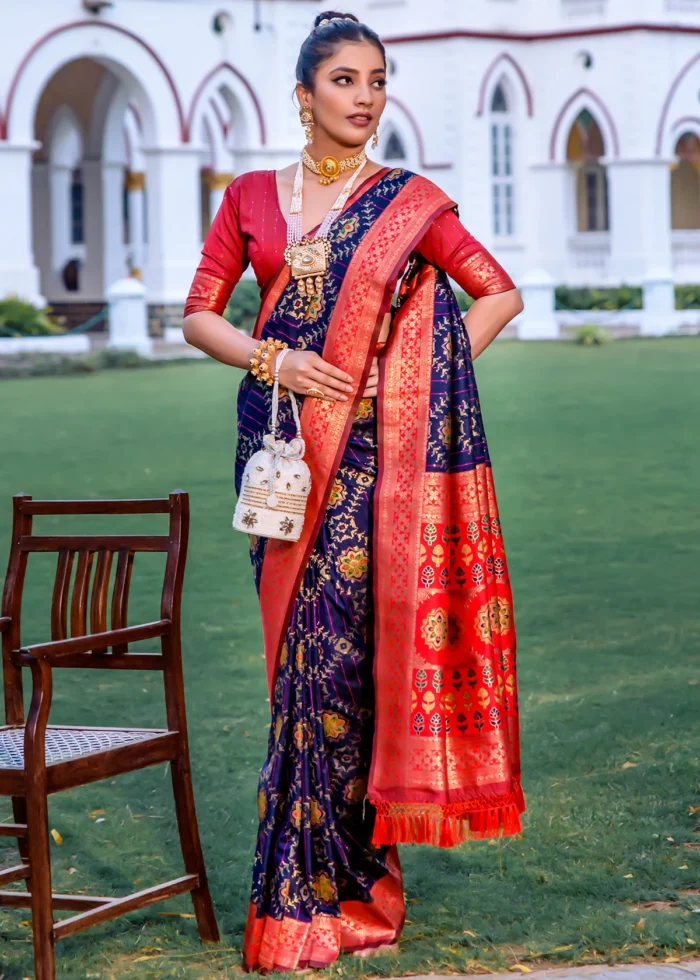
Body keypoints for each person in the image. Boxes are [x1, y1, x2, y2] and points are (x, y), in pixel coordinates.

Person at [183, 10, 527, 973]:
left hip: (378, 468)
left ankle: (350, 891)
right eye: (344, 80)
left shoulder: (408, 201)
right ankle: (298, 896)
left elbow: (495, 293)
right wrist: (274, 357)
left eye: (377, 80)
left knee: (341, 673)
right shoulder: (250, 197)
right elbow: (197, 316)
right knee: (295, 669)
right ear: (303, 94)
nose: (365, 96)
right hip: (280, 457)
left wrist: (403, 383)